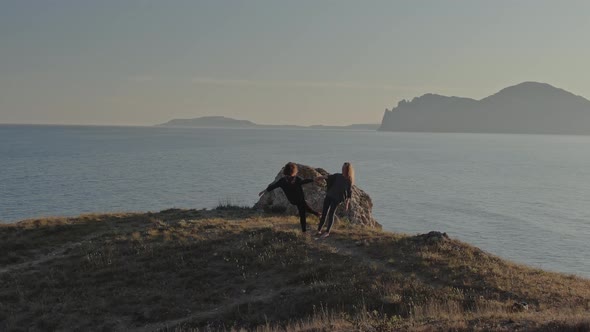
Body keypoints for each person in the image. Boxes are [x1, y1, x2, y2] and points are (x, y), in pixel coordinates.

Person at [259, 162, 320, 232]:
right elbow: (304, 181)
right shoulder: (297, 179)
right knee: (302, 212)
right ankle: (305, 230)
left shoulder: (282, 181)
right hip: (300, 199)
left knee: (304, 207)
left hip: (292, 200)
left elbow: (272, 187)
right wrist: (314, 179)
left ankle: (317, 214)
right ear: (294, 171)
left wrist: (264, 191)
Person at [314, 162, 354, 238]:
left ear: (348, 170)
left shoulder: (349, 180)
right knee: (324, 213)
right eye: (342, 168)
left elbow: (349, 193)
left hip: (337, 198)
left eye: (344, 168)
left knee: (331, 213)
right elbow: (328, 177)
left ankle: (327, 232)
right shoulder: (337, 175)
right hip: (329, 195)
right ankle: (318, 230)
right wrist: (319, 177)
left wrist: (347, 203)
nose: (342, 169)